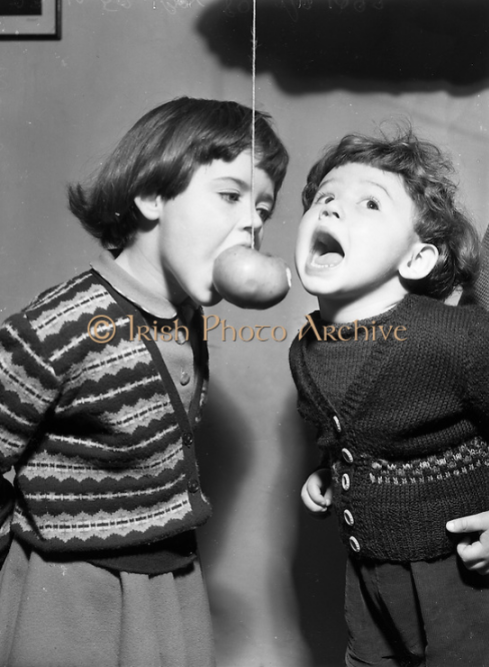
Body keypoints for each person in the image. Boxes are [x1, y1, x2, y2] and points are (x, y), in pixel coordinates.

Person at [0, 96, 289, 667]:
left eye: (263, 209)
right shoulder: (57, 327)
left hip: (169, 578)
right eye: (231, 195)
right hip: (70, 593)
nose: (252, 225)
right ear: (152, 195)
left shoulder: (185, 314)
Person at [289, 126, 489, 667]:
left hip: (458, 572)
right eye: (324, 199)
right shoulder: (306, 348)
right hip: (369, 573)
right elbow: (346, 435)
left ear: (416, 260)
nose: (330, 212)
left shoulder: (461, 337)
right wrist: (327, 472)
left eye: (368, 203)